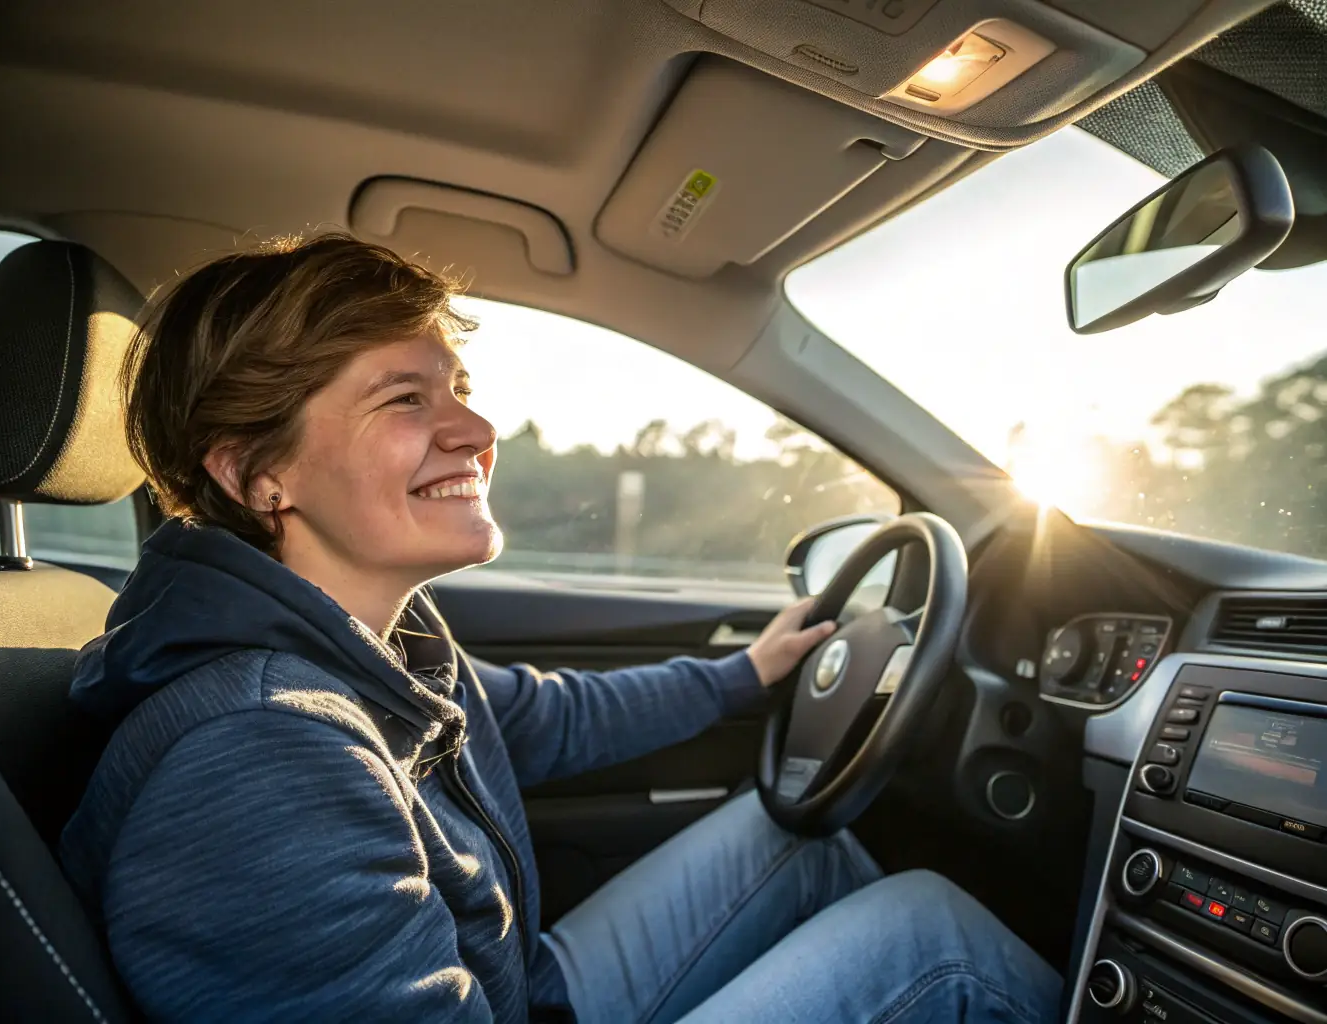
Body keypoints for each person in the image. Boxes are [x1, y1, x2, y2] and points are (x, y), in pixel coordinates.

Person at [60, 233, 1061, 1023]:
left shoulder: (376, 650)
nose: (477, 430)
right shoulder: (263, 754)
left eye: (458, 388)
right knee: (940, 946)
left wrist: (747, 672)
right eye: (406, 398)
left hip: (517, 990)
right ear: (253, 474)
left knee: (801, 839)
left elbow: (548, 718)